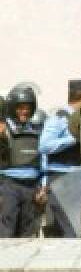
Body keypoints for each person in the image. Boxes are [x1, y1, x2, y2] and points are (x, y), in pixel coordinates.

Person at [40, 79, 81, 237]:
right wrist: (74, 138)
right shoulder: (59, 117)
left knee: (75, 229)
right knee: (70, 230)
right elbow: (44, 145)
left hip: (78, 178)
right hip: (61, 179)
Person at [0, 84, 48, 238]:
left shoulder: (37, 130)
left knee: (28, 232)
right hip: (9, 187)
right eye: (20, 108)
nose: (24, 111)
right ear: (12, 108)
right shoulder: (3, 129)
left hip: (31, 188)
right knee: (6, 231)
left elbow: (43, 160)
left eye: (28, 108)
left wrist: (43, 186)